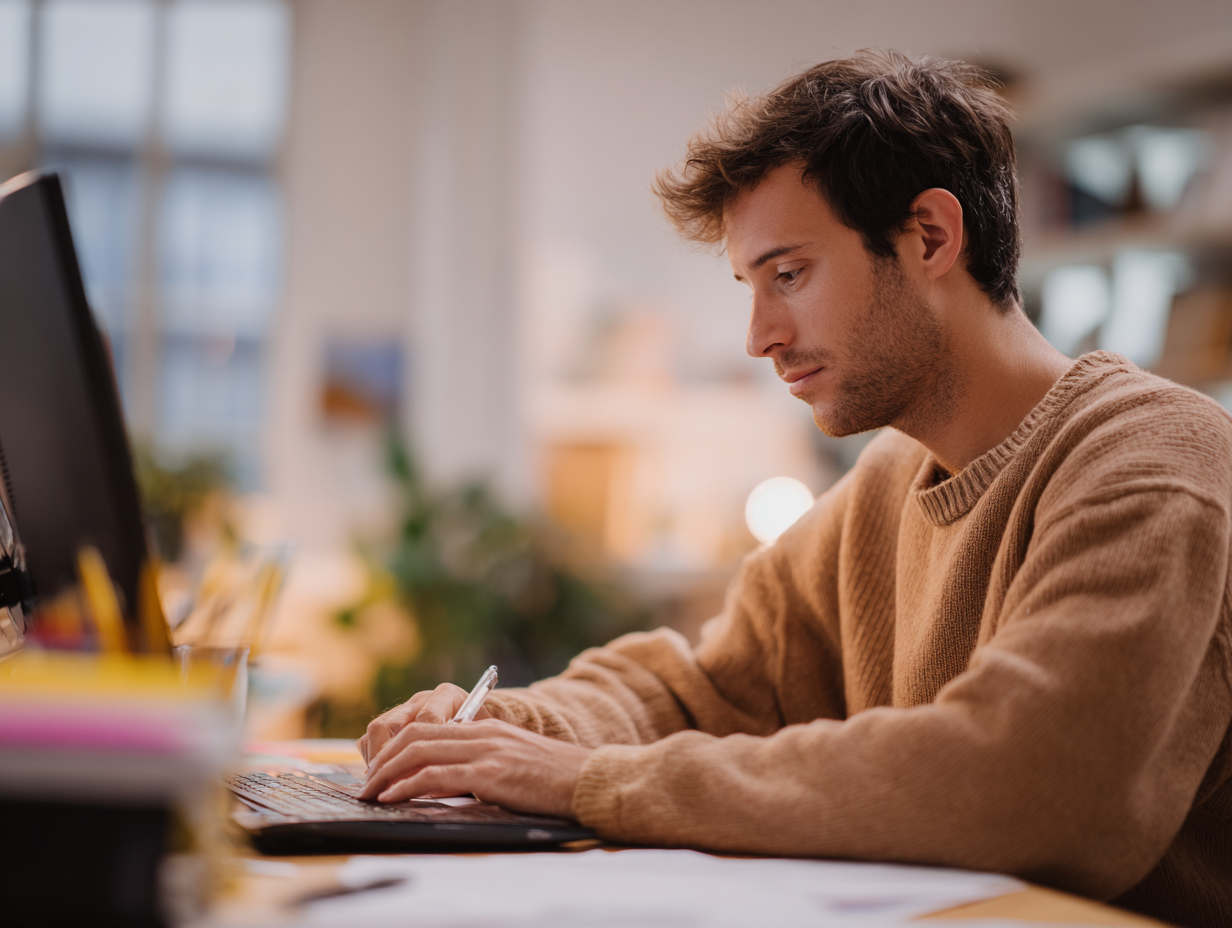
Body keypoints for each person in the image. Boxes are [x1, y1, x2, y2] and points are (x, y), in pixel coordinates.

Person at [358, 51, 1231, 928]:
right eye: (751, 286)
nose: (759, 336)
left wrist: (590, 783)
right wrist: (500, 731)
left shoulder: (1159, 466)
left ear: (930, 236)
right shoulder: (892, 477)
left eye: (789, 274)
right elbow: (704, 691)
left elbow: (1029, 783)